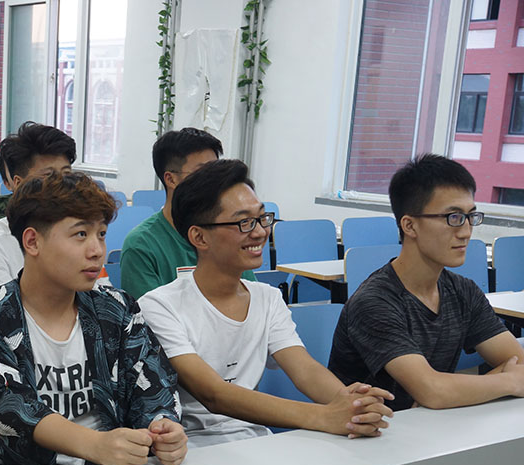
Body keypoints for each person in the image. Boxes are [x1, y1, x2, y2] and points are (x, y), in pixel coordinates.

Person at [139, 160, 393, 446]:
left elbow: (305, 370)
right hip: (187, 448)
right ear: (199, 237)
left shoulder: (267, 298)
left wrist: (352, 406)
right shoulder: (160, 306)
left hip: (255, 442)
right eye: (244, 222)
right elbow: (213, 394)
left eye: (262, 218)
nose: (260, 232)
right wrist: (324, 416)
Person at [0, 171, 187, 465]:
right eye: (80, 234)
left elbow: (154, 386)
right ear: (32, 241)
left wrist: (162, 427)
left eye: (101, 234)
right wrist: (97, 445)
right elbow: (14, 410)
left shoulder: (116, 310)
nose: (97, 250)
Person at [329, 154, 524, 410]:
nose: (466, 232)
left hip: (434, 426)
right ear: (409, 226)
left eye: (471, 216)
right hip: (375, 430)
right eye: (453, 217)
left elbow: (518, 362)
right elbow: (432, 391)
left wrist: (453, 391)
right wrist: (508, 382)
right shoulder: (374, 301)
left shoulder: (463, 290)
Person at [121, 127, 255, 299]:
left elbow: (252, 299)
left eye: (216, 172)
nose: (214, 182)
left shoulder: (227, 235)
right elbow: (149, 313)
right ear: (171, 179)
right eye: (203, 172)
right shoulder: (141, 245)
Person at [0, 122, 76, 295]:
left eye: (67, 174)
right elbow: (5, 306)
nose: (61, 185)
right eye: (48, 176)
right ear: (19, 184)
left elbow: (106, 297)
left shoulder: (82, 234)